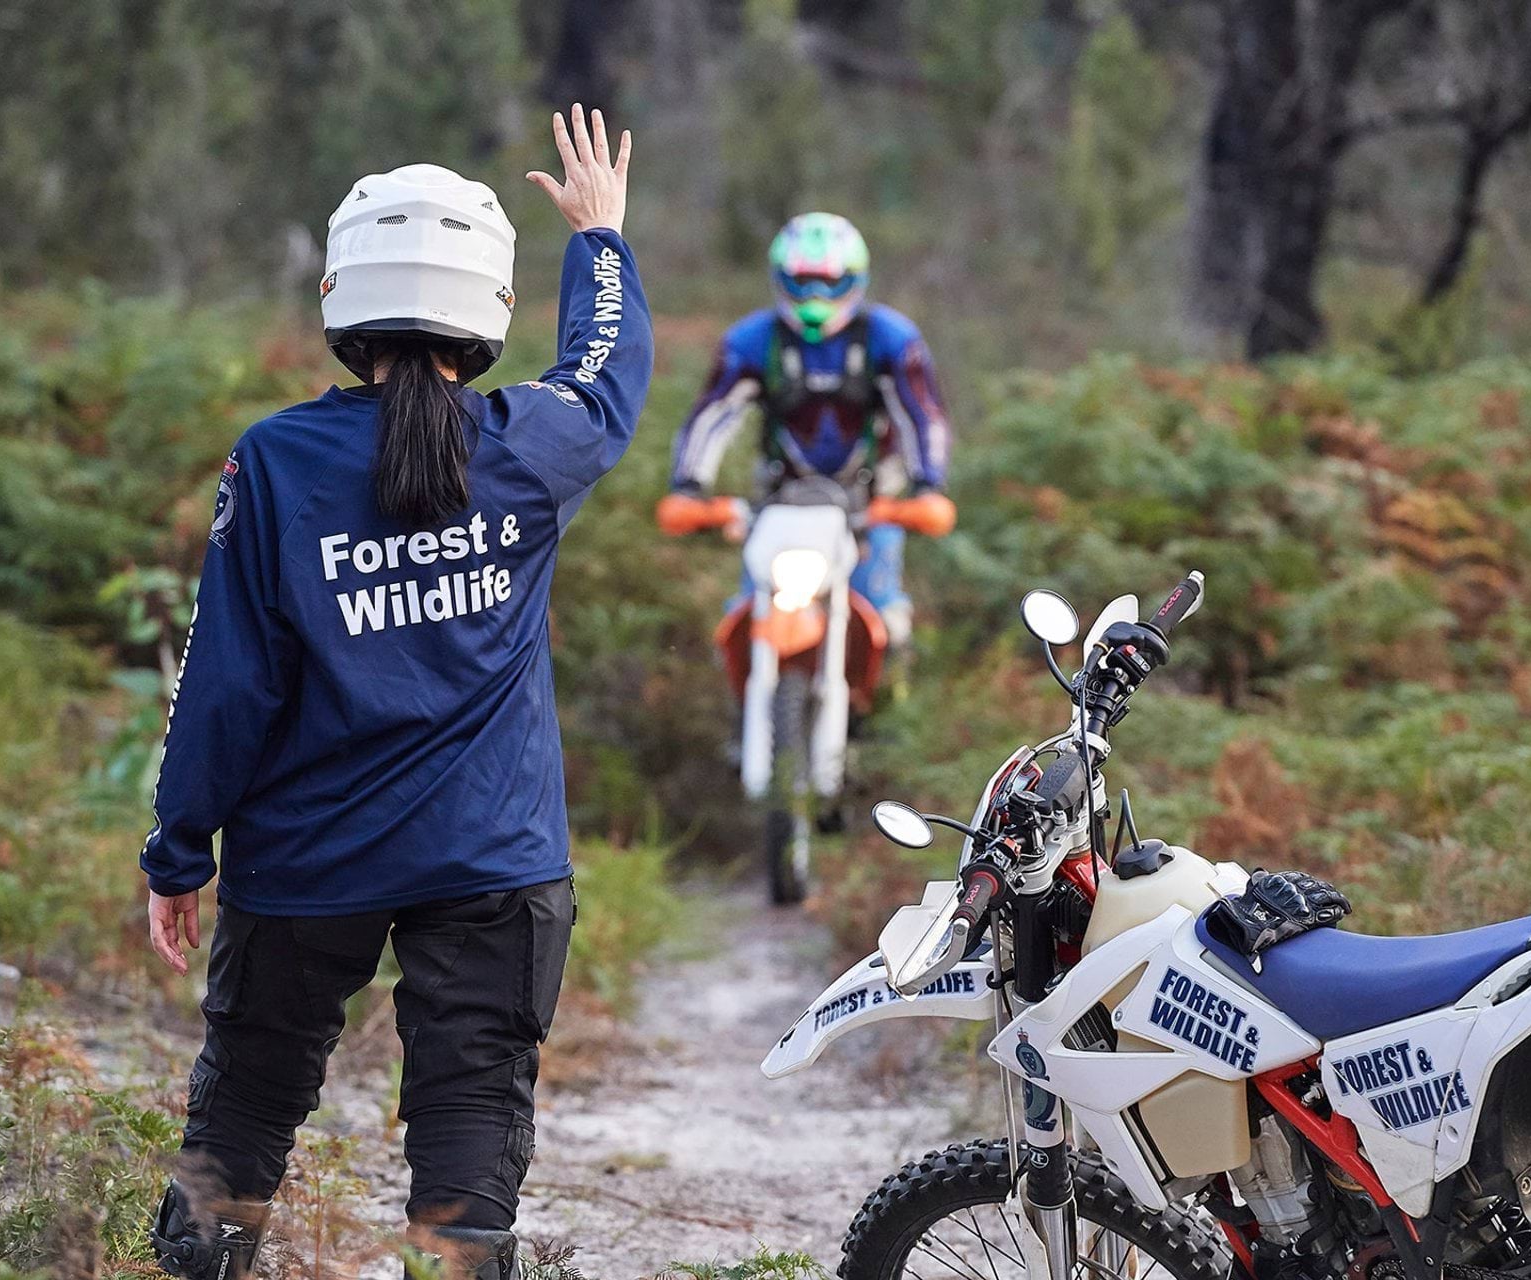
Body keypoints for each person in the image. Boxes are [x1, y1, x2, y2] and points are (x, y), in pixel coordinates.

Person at [139, 105, 647, 1280]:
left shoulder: (272, 460)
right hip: (493, 859)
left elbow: (223, 679)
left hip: (304, 859)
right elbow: (602, 377)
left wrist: (179, 849)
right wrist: (600, 239)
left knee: (244, 1115)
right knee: (469, 1124)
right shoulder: (527, 444)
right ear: (490, 312)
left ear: (336, 295)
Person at [660, 211, 952, 645]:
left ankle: (893, 694)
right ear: (781, 279)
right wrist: (688, 487)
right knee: (746, 614)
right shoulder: (752, 341)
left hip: (870, 501)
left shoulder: (890, 339)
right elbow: (712, 413)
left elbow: (921, 414)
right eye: (803, 281)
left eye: (829, 281)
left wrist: (928, 487)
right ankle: (742, 695)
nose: (816, 294)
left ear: (855, 280)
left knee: (885, 616)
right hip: (781, 499)